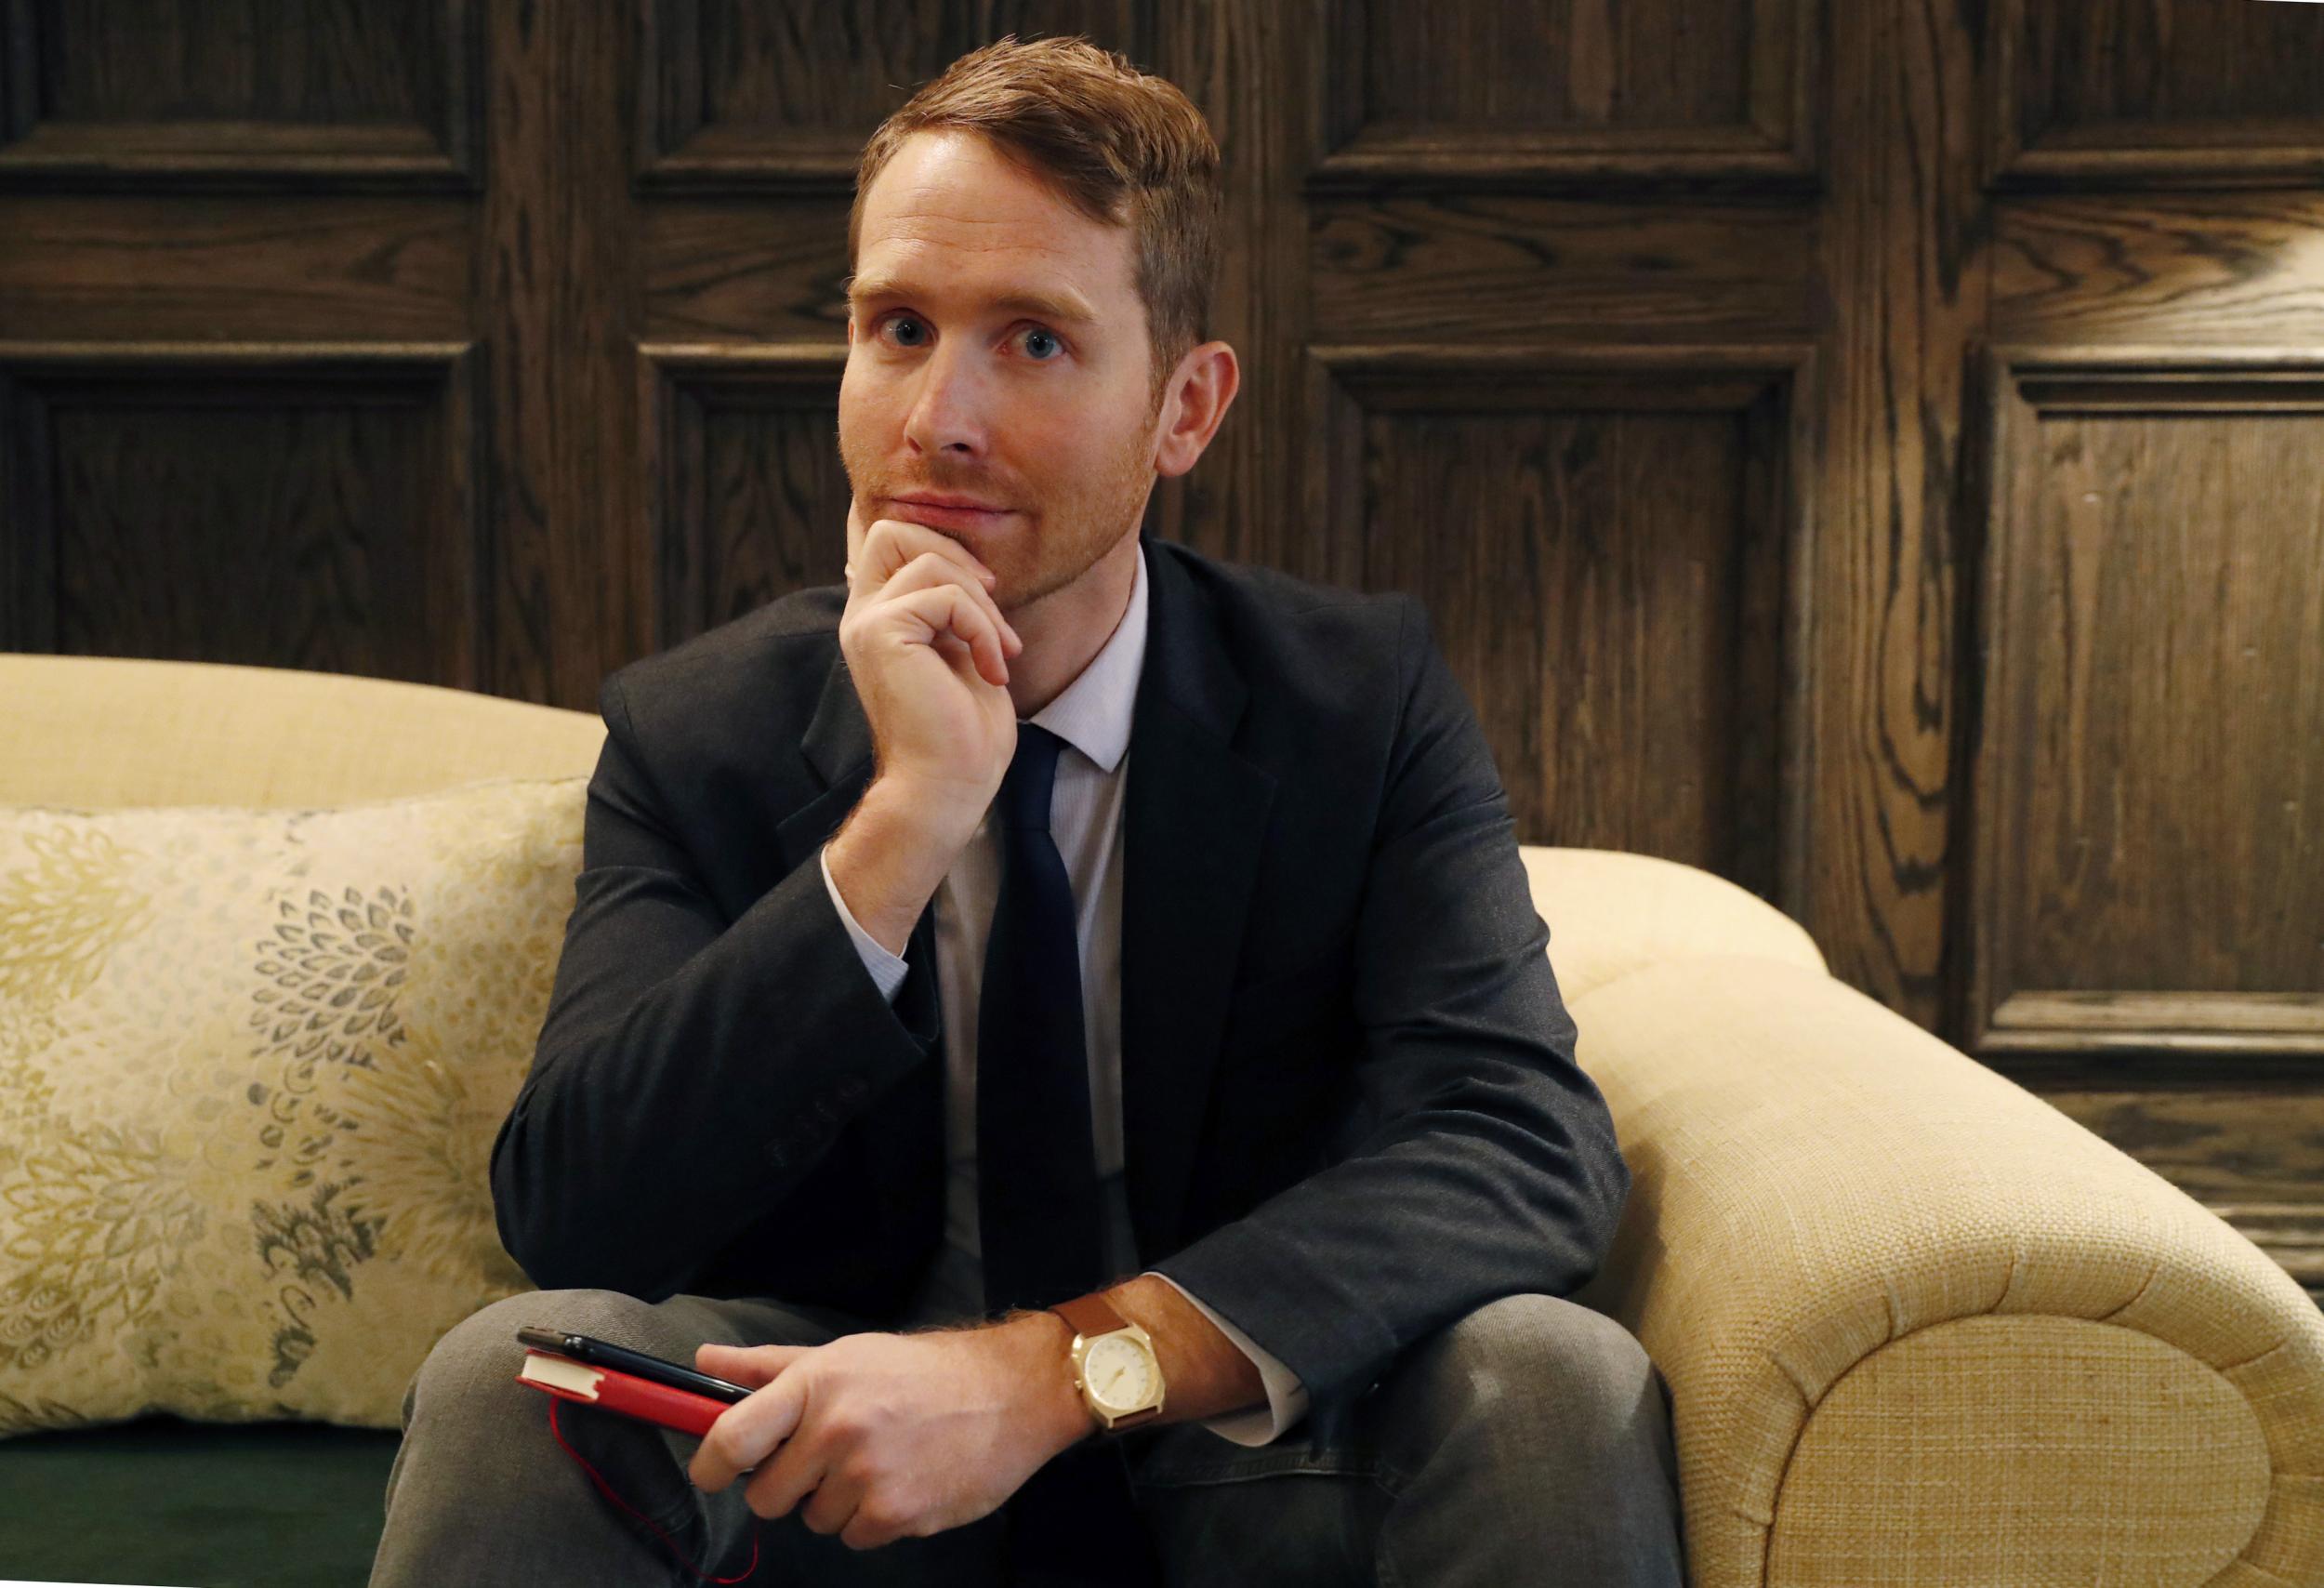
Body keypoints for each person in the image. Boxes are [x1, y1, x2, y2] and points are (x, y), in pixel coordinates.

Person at [369, 33, 1684, 1588]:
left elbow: (1516, 1144)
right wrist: (908, 819)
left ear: (1185, 408)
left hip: (1228, 1440)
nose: (939, 417)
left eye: (1036, 343)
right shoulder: (698, 728)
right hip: (834, 1468)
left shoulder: (1351, 700)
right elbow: (578, 1210)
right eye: (900, 327)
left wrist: (1048, 1379)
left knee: (1554, 1377)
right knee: (508, 1375)